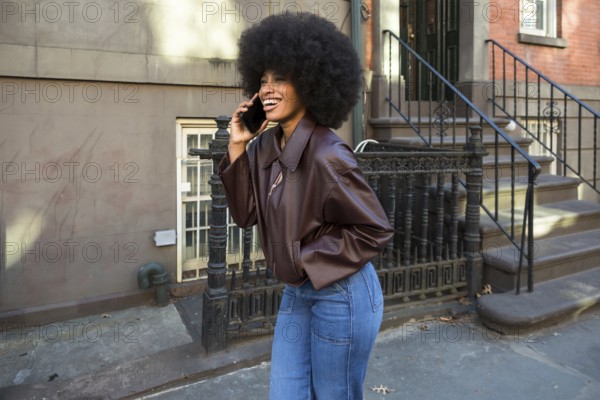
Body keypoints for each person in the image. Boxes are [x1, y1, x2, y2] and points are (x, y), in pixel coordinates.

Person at [218, 12, 394, 400]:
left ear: (311, 82)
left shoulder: (329, 154)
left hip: (342, 293)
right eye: (262, 81)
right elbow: (246, 214)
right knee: (286, 393)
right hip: (298, 291)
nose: (268, 89)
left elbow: (374, 230)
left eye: (280, 78)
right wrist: (236, 145)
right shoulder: (264, 145)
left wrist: (304, 259)